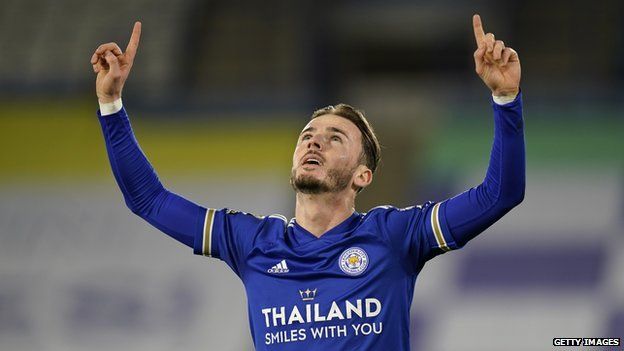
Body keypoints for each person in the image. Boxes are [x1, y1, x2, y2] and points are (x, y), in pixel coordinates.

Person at [91, 14, 524, 351]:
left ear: (362, 175)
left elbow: (500, 193)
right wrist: (111, 103)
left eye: (335, 138)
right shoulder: (251, 241)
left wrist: (504, 99)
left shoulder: (395, 236)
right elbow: (147, 199)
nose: (314, 143)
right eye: (307, 136)